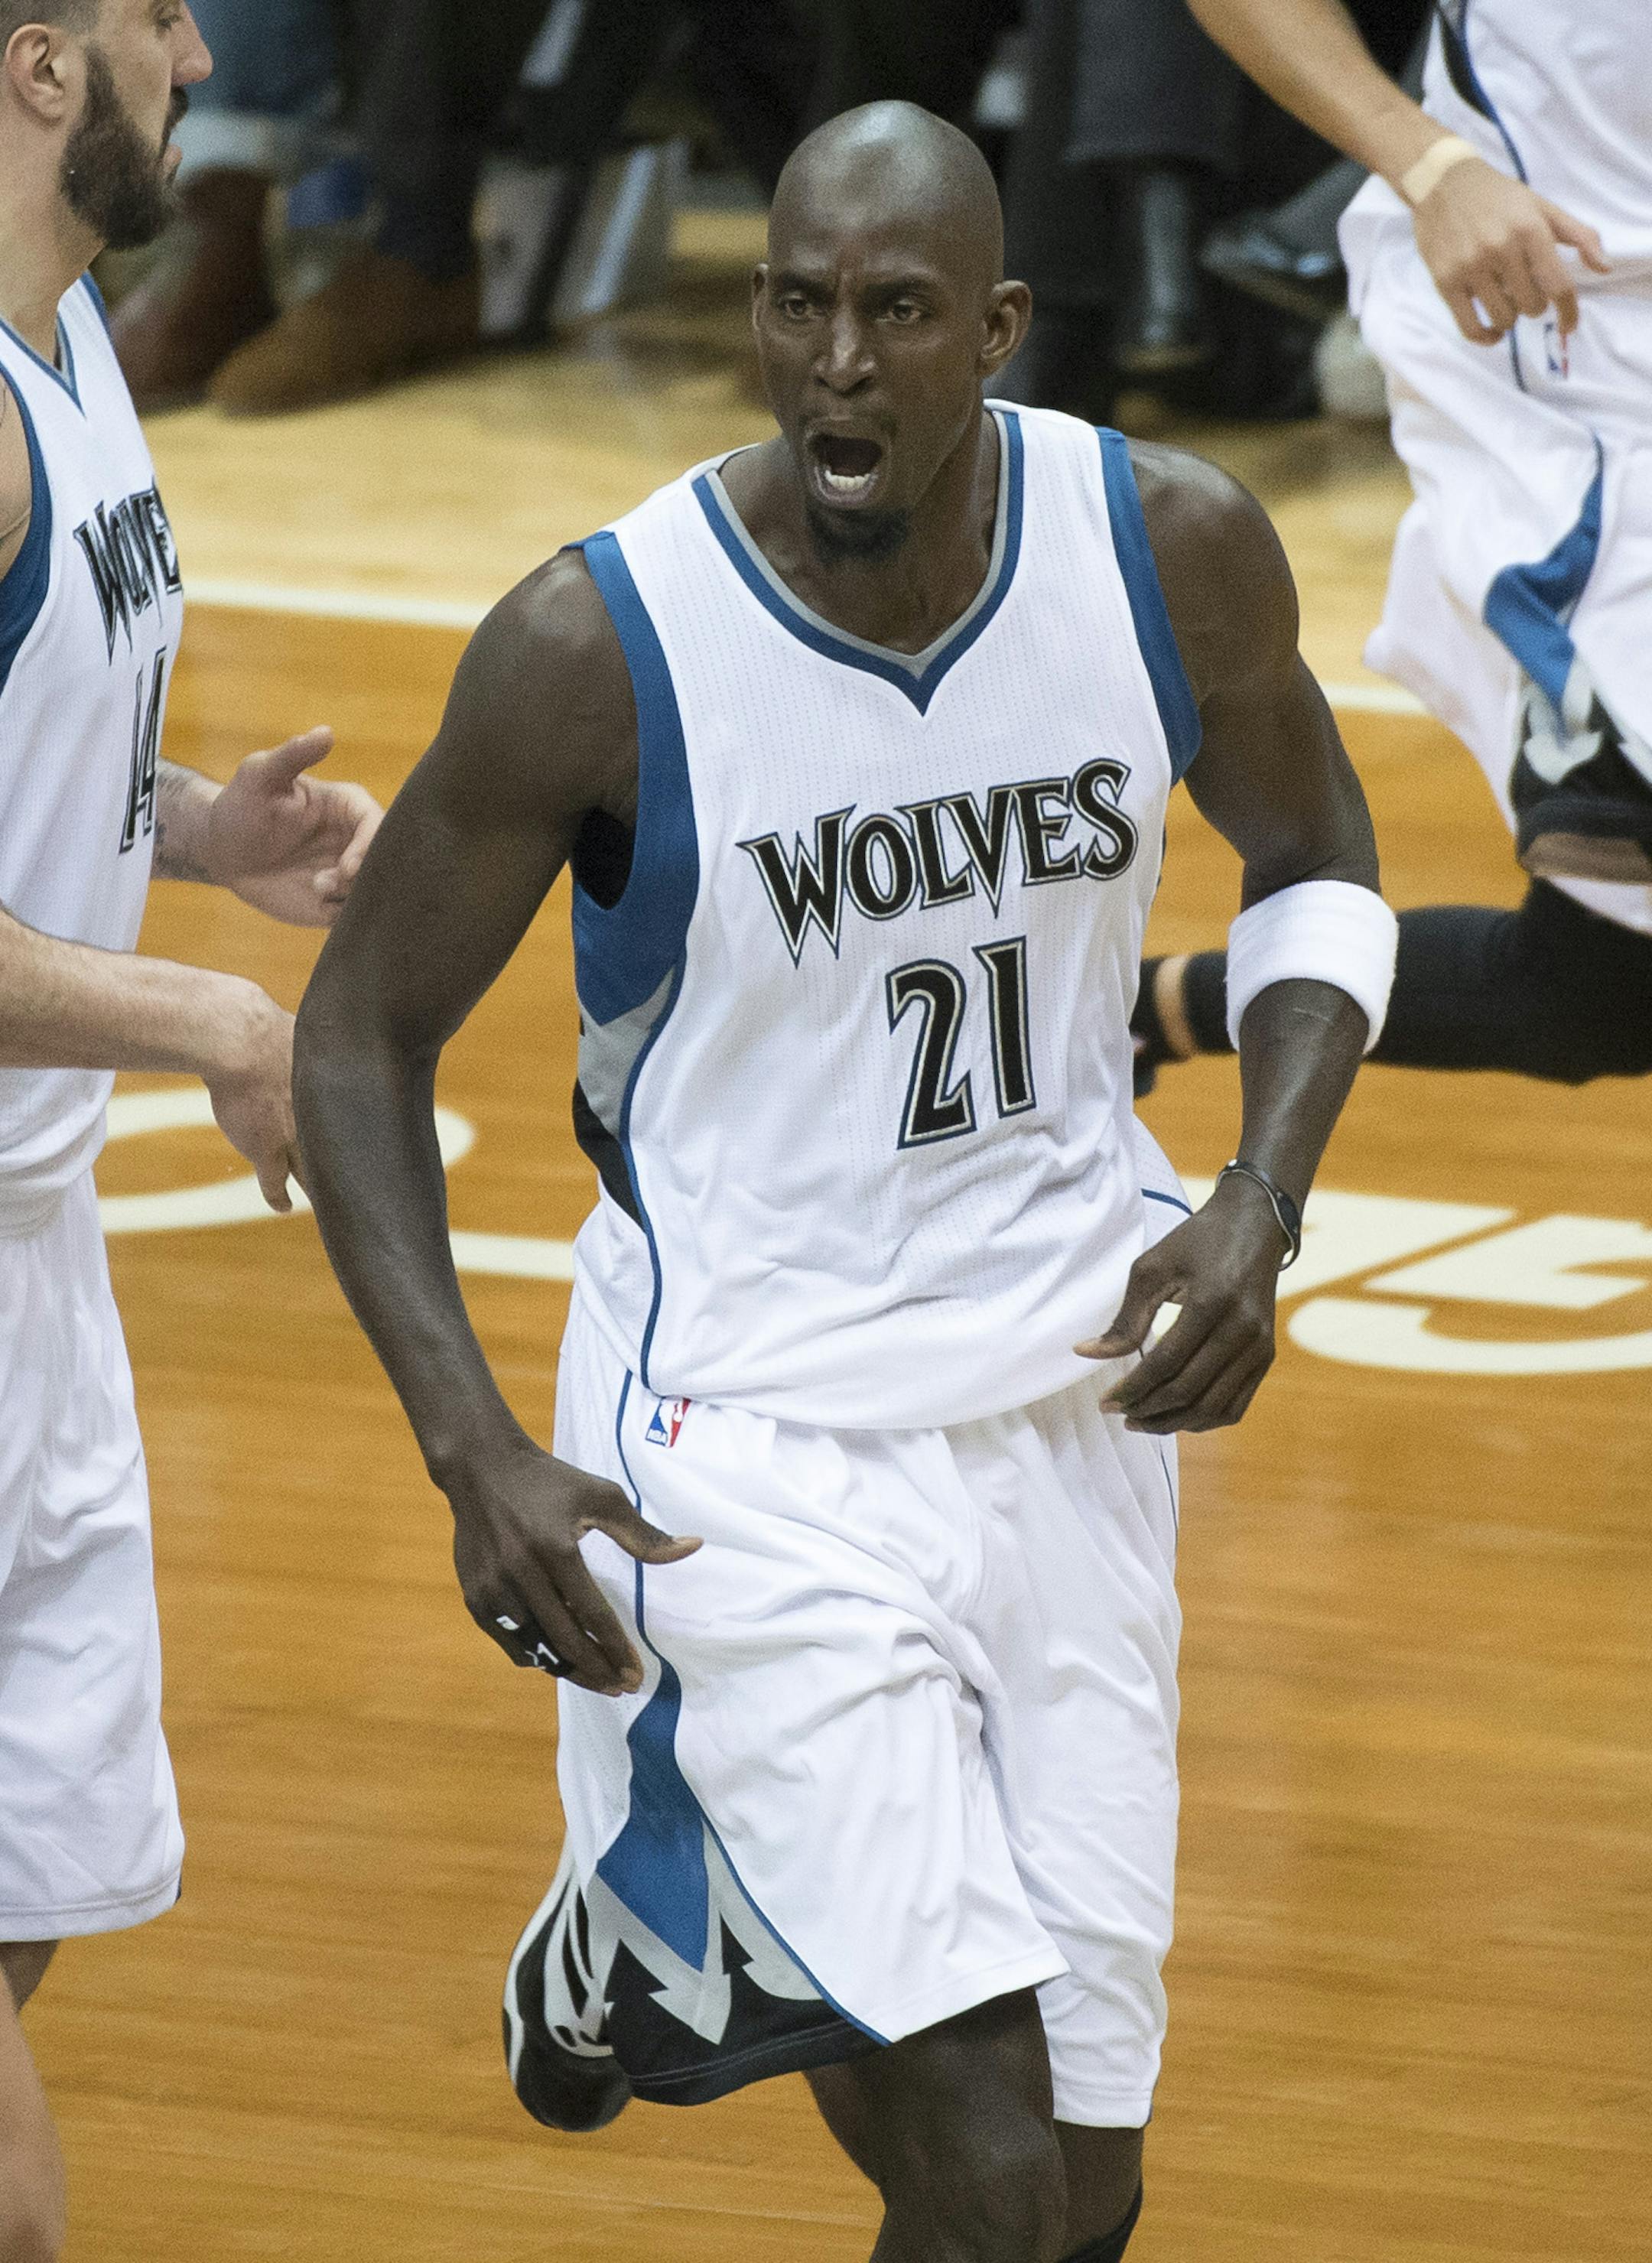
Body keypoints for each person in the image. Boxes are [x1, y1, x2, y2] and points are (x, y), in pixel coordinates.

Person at [293, 102, 1397, 2261]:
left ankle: (661, 1931)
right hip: (742, 1440)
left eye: (897, 316)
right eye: (796, 307)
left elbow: (1323, 862)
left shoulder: (1166, 547)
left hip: (1073, 1400)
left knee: (1082, 2192)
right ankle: (688, 1873)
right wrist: (470, 1448)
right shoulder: (595, 648)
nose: (836, 365)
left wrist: (1264, 1194)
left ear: (997, 326)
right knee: (980, 2156)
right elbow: (358, 1030)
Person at [0, 5, 382, 2250]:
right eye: (156, 16)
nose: (207, 45)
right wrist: (210, 1013)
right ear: (44, 66)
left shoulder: (76, 336)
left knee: (29, 1919)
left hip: (40, 1271)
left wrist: (184, 827)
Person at [1137, 0, 1652, 1088]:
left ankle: (1160, 1007)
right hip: (1573, 348)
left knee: (1605, 987)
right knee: (1617, 908)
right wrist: (1428, 163)